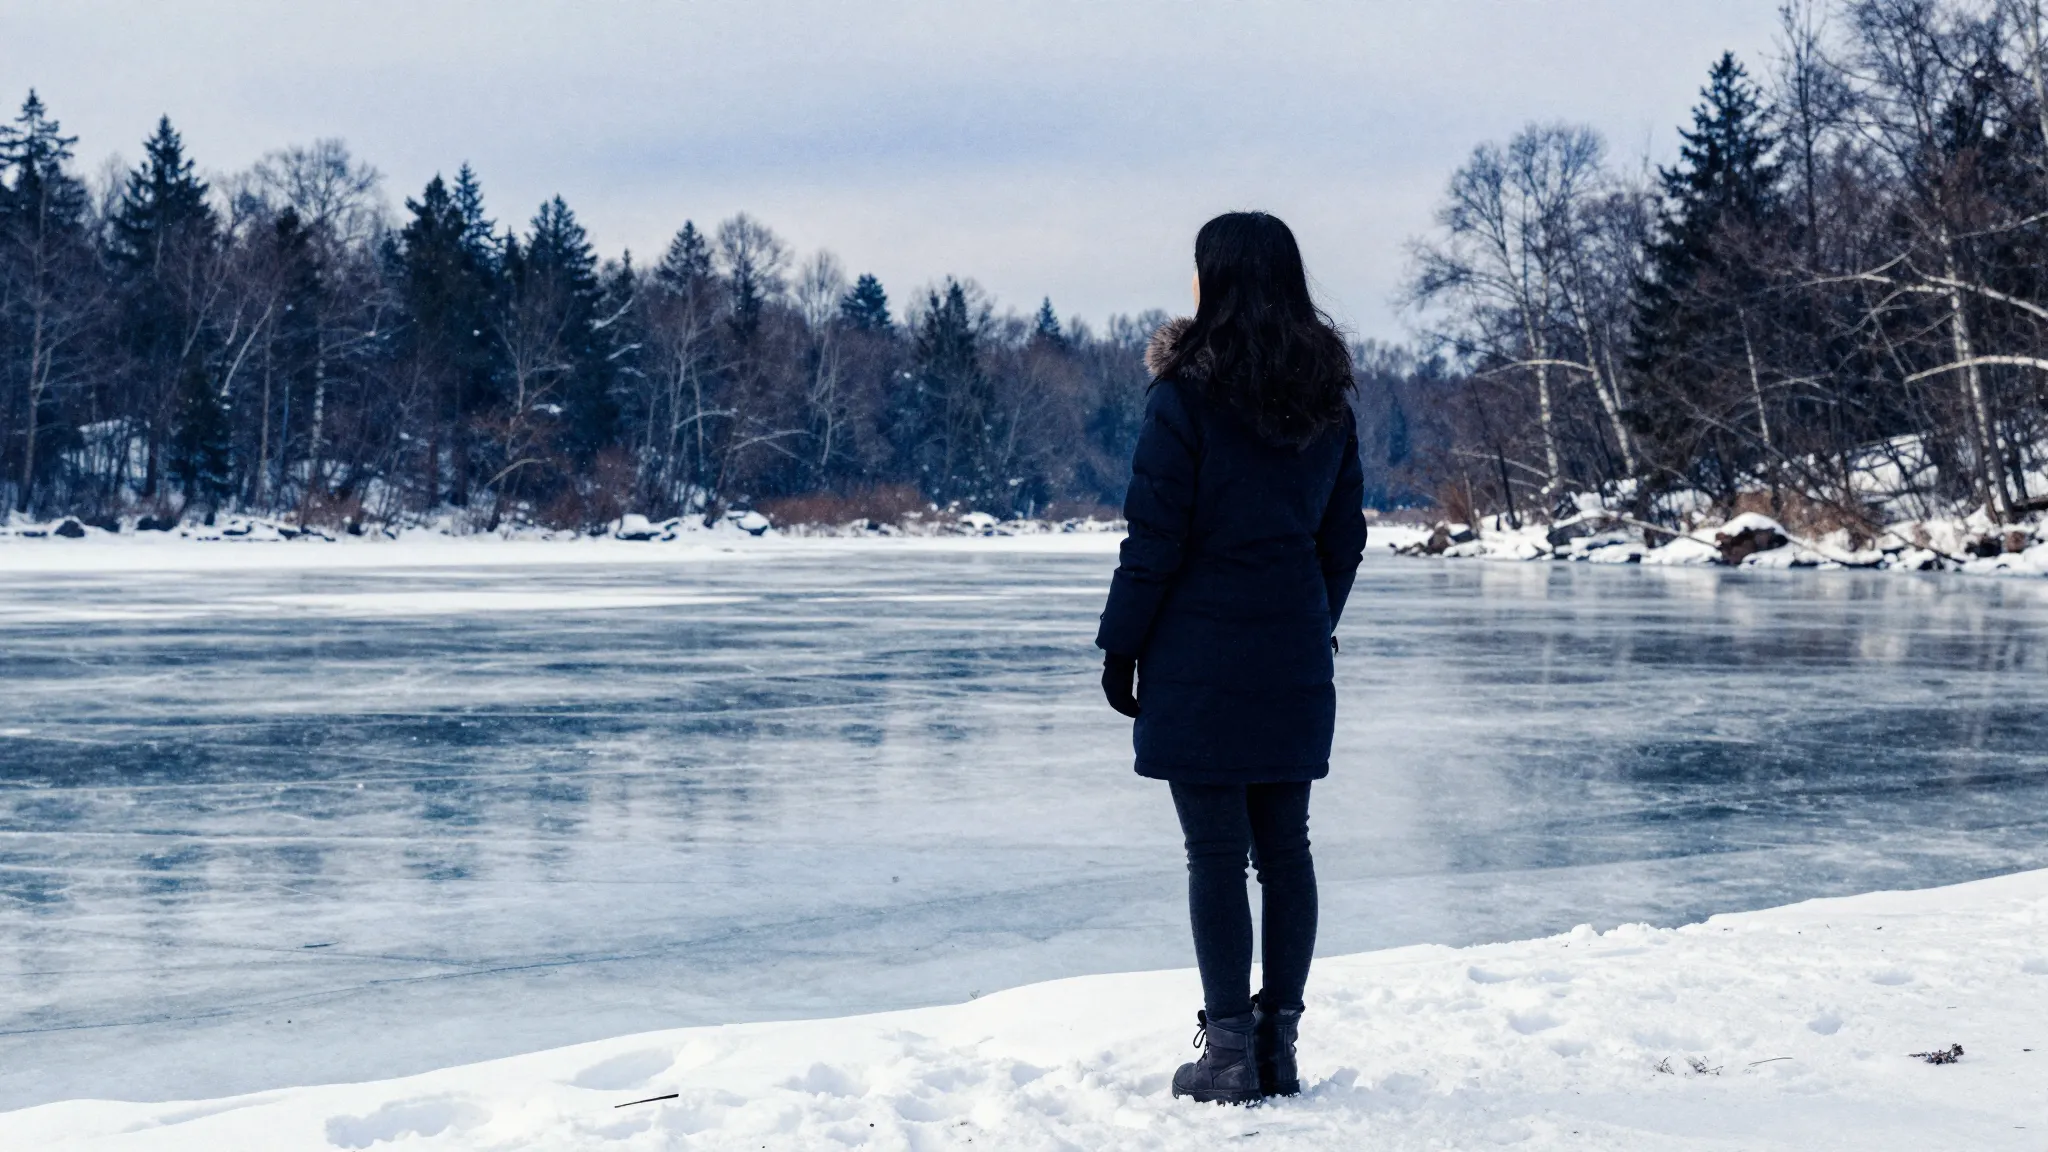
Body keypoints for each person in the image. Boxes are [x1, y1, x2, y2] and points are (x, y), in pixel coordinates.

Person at [1096, 211, 1367, 1105]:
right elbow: (1343, 539)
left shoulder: (1183, 396)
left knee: (1215, 855)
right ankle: (1277, 1048)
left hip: (1199, 656)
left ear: (1216, 279)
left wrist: (1121, 646)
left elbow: (1154, 539)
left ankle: (1230, 1056)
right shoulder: (1328, 401)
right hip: (1293, 654)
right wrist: (1310, 618)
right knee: (1285, 850)